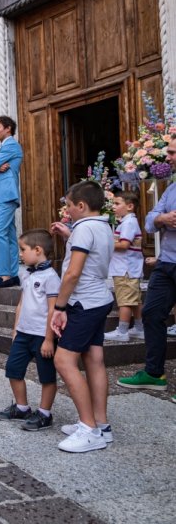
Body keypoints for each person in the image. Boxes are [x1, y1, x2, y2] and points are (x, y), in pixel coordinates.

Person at [49, 181, 114, 452]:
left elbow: (73, 273)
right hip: (101, 298)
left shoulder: (84, 228)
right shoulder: (102, 225)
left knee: (64, 360)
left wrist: (60, 307)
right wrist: (69, 236)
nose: (67, 211)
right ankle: (101, 424)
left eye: (68, 205)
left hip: (83, 302)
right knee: (94, 359)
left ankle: (88, 429)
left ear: (81, 206)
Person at [118, 140, 176, 400]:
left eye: (173, 152)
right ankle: (154, 374)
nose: (169, 157)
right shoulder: (171, 189)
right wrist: (163, 218)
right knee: (152, 314)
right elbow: (150, 220)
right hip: (167, 263)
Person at [0, 229, 59, 431]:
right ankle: (22, 407)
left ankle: (44, 413)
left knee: (46, 376)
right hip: (23, 332)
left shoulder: (51, 277)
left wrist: (49, 339)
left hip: (42, 335)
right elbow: (21, 304)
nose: (20, 254)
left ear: (38, 250)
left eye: (23, 249)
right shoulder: (25, 274)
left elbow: (52, 310)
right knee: (13, 370)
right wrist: (15, 330)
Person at [0, 116, 23, 288]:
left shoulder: (11, 145)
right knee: (9, 235)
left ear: (8, 128)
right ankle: (14, 274)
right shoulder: (4, 148)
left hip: (6, 195)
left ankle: (5, 275)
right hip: (2, 195)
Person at [104, 191, 144, 342]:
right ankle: (139, 328)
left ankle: (122, 331)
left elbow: (124, 244)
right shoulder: (128, 222)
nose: (113, 207)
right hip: (129, 268)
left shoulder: (128, 223)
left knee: (125, 301)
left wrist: (106, 242)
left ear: (130, 206)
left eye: (117, 203)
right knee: (135, 300)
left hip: (125, 268)